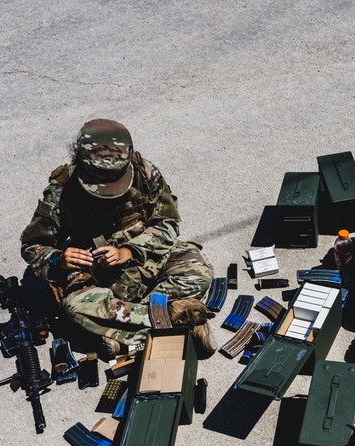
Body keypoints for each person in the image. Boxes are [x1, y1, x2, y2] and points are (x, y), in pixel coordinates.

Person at [21, 119, 216, 358]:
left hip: (147, 259)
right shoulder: (62, 191)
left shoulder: (145, 172)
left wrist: (130, 251)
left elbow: (168, 223)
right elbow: (32, 246)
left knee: (198, 272)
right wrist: (58, 259)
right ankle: (180, 319)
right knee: (76, 308)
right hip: (97, 276)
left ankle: (121, 333)